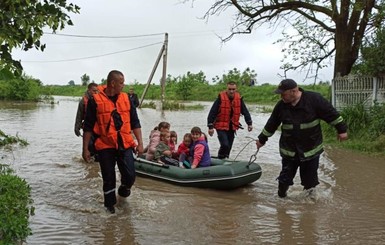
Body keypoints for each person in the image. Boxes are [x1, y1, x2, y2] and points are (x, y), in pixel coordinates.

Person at [255, 79, 348, 198]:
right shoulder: (281, 106)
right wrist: (261, 139)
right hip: (289, 150)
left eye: (283, 94)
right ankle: (281, 200)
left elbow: (332, 114)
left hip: (311, 149)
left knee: (310, 181)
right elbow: (271, 124)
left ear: (294, 91)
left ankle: (309, 206)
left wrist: (342, 130)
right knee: (284, 179)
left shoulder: (314, 100)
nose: (281, 96)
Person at [82, 70, 144, 214]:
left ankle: (123, 192)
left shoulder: (127, 99)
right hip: (105, 145)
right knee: (108, 178)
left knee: (130, 176)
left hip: (125, 143)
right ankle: (110, 210)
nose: (123, 85)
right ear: (113, 83)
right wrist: (85, 149)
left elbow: (135, 122)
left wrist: (140, 143)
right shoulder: (95, 100)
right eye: (121, 83)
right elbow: (88, 127)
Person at [207, 81, 253, 159]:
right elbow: (212, 112)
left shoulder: (239, 98)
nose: (231, 91)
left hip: (232, 126)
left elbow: (245, 111)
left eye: (233, 89)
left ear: (236, 89)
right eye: (230, 89)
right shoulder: (220, 98)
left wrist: (249, 123)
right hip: (220, 126)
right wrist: (210, 127)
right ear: (227, 89)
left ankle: (226, 159)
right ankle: (220, 158)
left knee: (229, 147)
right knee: (225, 145)